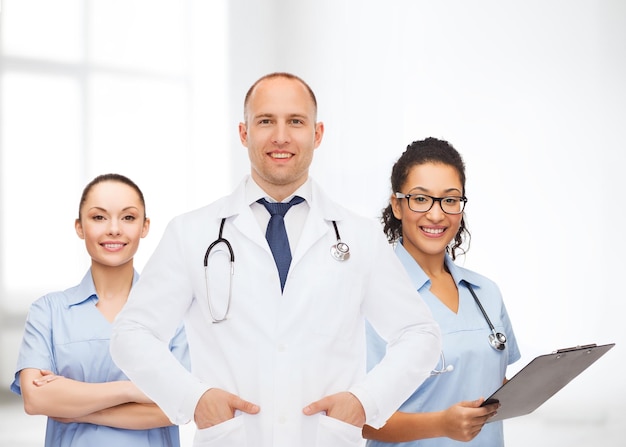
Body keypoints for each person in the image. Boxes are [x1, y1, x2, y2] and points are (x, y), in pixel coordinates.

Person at [110, 72, 442, 447]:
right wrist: (193, 399)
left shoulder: (359, 236)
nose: (280, 136)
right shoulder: (191, 233)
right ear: (243, 132)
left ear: (317, 134)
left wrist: (365, 402)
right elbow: (131, 334)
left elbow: (420, 334)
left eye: (295, 122)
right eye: (265, 121)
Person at [11, 173, 190, 447]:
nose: (114, 229)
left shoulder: (173, 311)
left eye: (128, 217)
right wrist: (136, 389)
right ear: (79, 227)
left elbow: (178, 406)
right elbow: (35, 399)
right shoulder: (48, 311)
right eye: (99, 217)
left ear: (145, 226)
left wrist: (75, 406)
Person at [362, 138, 520, 447]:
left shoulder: (486, 293)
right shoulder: (371, 294)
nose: (436, 215)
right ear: (397, 205)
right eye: (420, 199)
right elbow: (360, 418)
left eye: (450, 200)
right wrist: (441, 424)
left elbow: (490, 385)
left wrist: (542, 382)